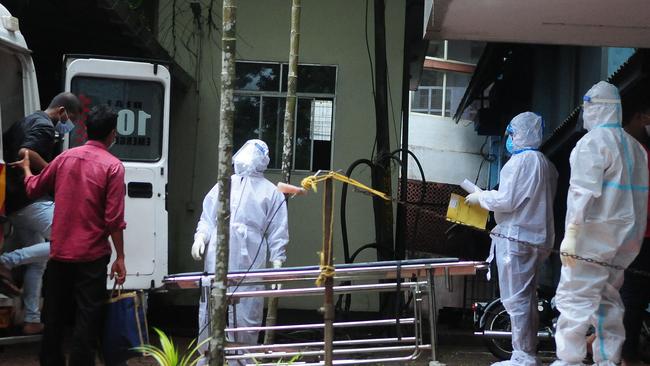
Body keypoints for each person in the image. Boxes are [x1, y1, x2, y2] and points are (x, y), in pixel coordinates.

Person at [12, 105, 127, 366]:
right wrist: (120, 257)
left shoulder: (65, 158)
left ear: (86, 130)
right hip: (92, 256)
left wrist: (28, 169)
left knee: (54, 316)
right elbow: (114, 220)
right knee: (87, 317)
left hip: (61, 253)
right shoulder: (113, 167)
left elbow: (34, 188)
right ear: (111, 134)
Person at [552, 81, 649, 366]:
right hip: (625, 242)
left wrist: (571, 234)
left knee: (575, 298)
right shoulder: (637, 148)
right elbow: (640, 200)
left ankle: (569, 360)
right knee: (609, 299)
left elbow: (582, 193)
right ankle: (608, 360)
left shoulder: (592, 143)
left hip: (591, 239)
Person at [465, 111, 558, 366]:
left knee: (516, 299)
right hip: (538, 239)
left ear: (522, 133)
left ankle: (523, 355)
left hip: (517, 239)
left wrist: (481, 197)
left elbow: (507, 201)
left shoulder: (520, 162)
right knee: (527, 298)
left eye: (512, 134)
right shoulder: (546, 165)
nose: (509, 139)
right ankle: (526, 352)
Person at [192, 139, 289, 365]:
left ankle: (243, 359)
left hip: (250, 256)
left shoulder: (270, 192)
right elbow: (208, 217)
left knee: (248, 311)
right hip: (218, 252)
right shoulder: (225, 184)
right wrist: (200, 237)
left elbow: (278, 231)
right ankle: (207, 357)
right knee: (211, 306)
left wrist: (277, 262)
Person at [0, 92, 81, 334]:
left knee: (39, 260)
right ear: (61, 111)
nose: (70, 124)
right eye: (71, 118)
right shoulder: (45, 126)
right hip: (30, 199)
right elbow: (27, 153)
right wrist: (54, 173)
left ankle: (32, 319)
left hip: (13, 200)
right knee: (66, 239)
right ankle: (5, 262)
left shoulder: (23, 122)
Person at [620, 101, 650, 365]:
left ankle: (624, 352)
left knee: (629, 298)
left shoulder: (636, 152)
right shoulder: (635, 153)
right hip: (637, 237)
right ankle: (626, 355)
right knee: (631, 298)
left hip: (633, 236)